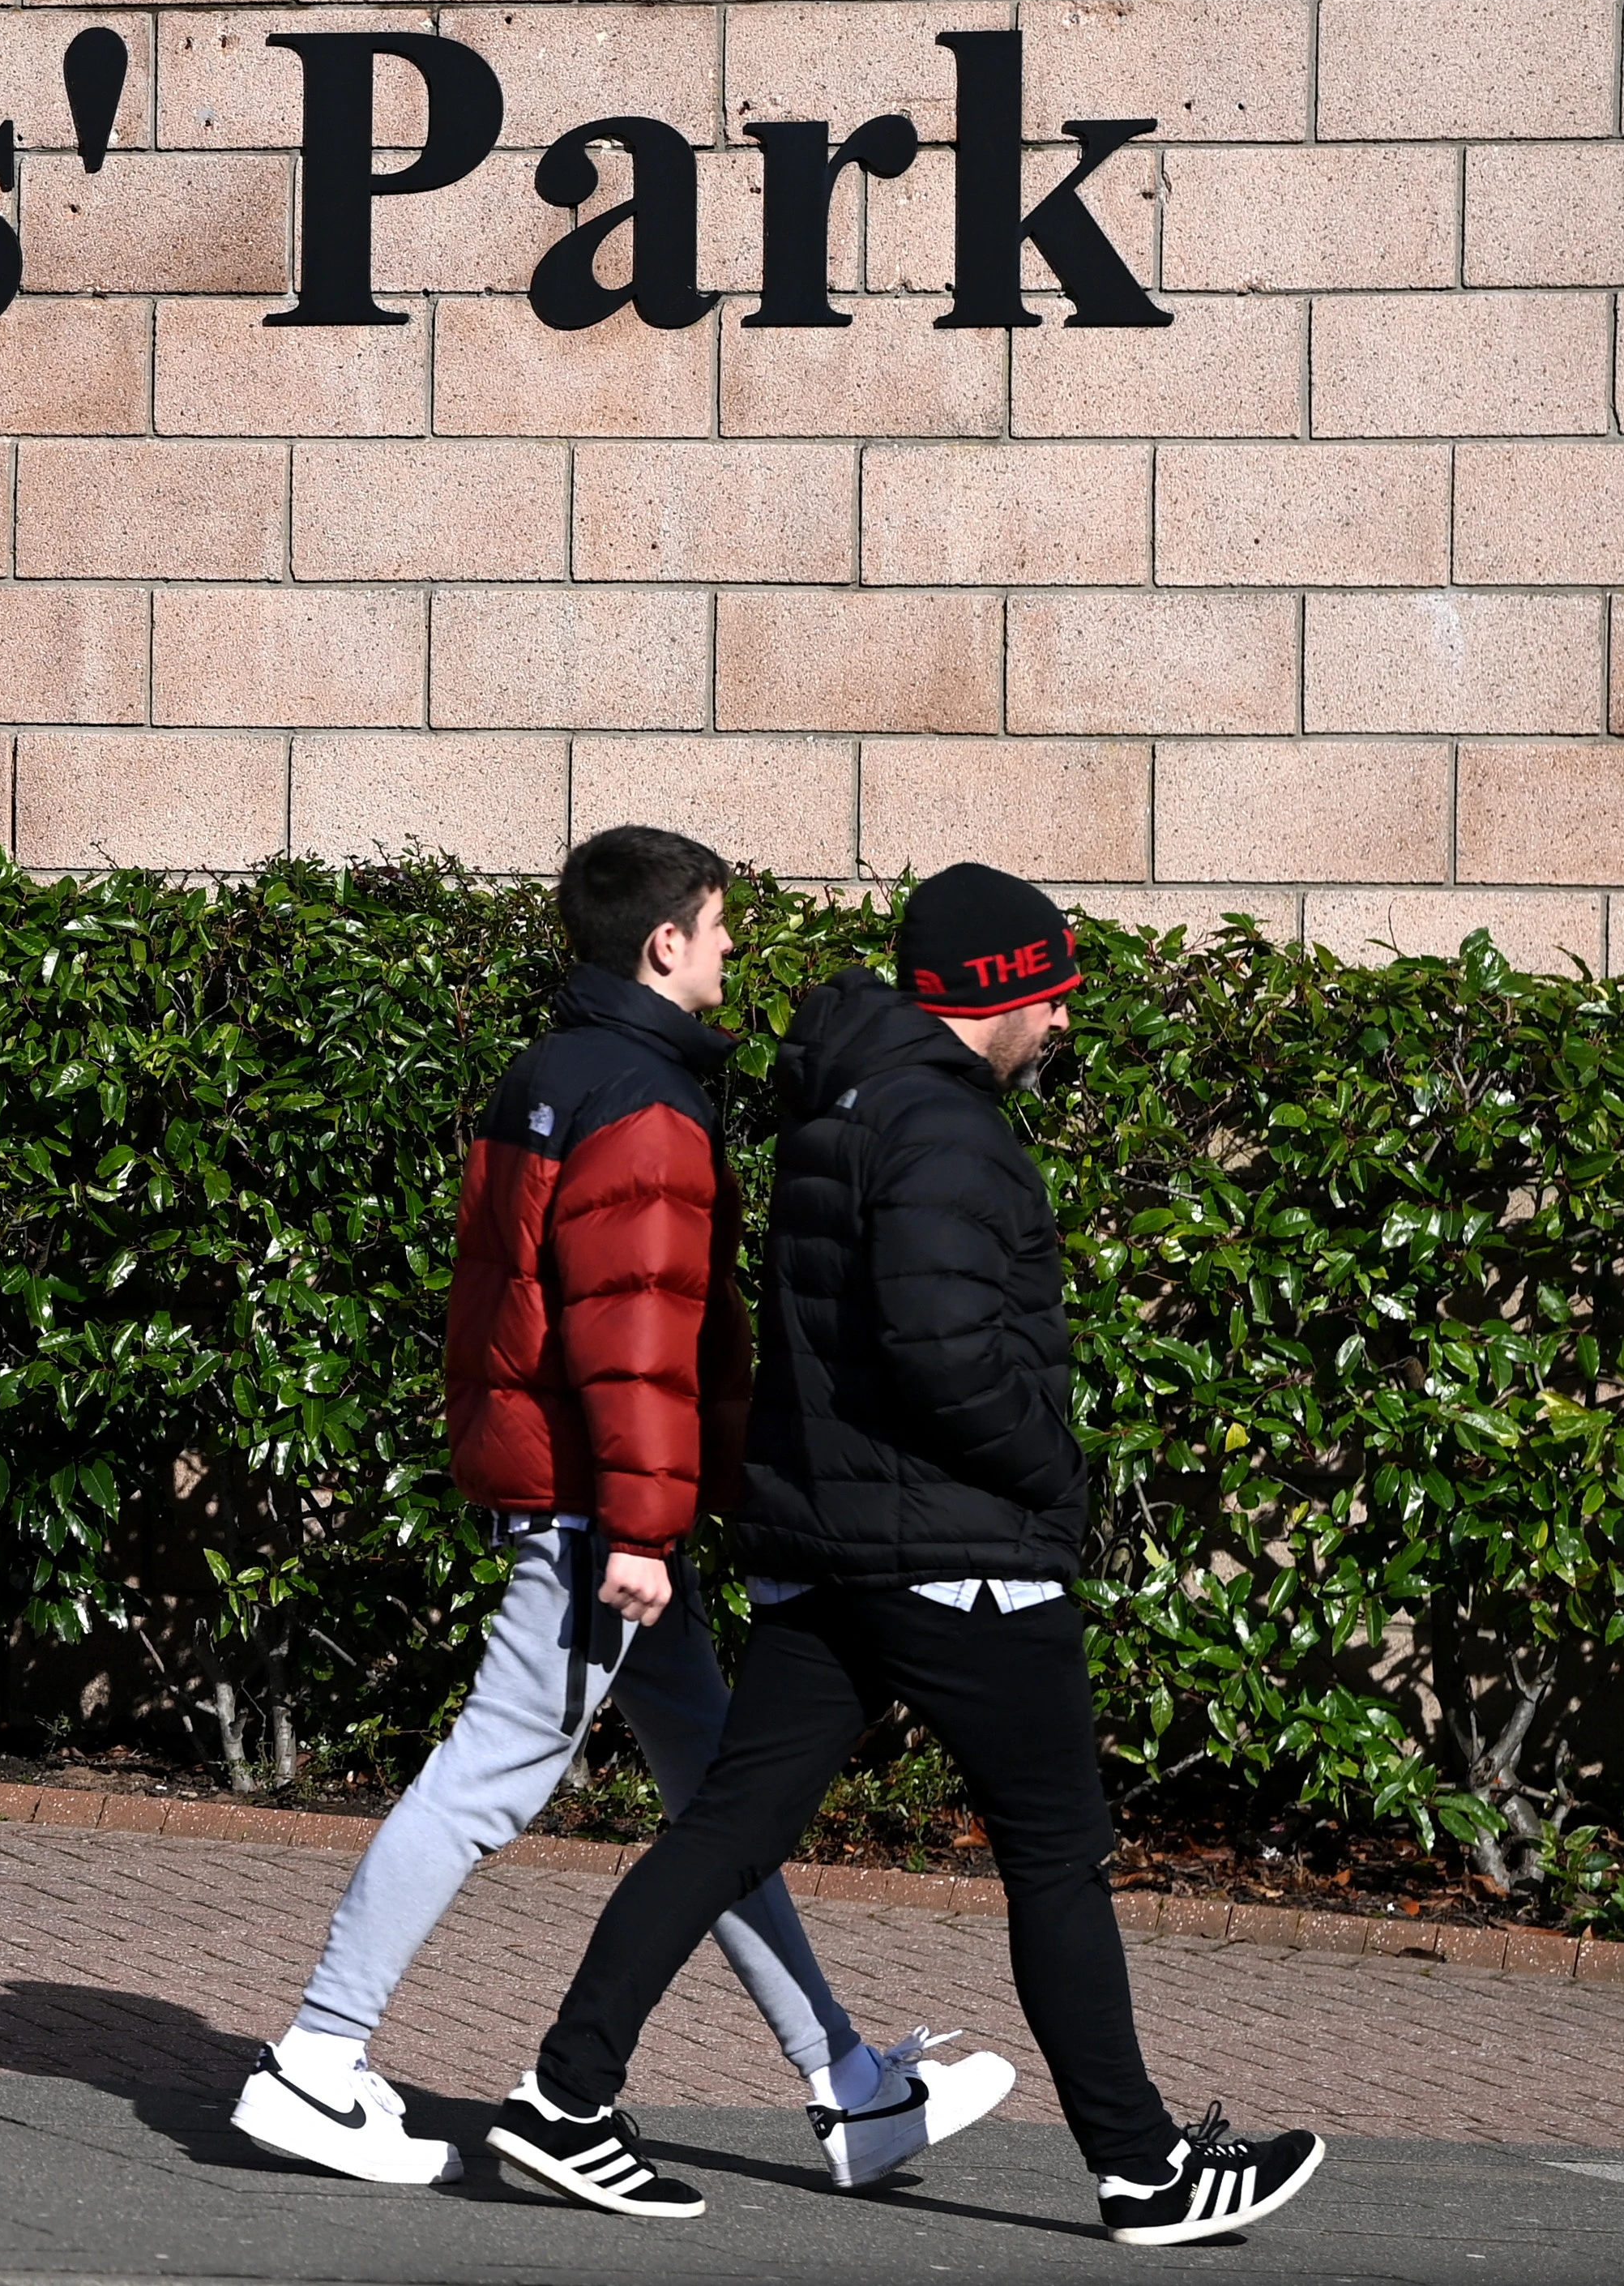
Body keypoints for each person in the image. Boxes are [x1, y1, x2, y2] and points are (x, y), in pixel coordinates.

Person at [480, 863, 1328, 2248]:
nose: (1062, 1017)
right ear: (996, 990)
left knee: (729, 1828)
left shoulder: (840, 1109)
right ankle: (1142, 2169)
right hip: (962, 1555)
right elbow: (942, 1352)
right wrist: (1056, 1480)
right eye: (1049, 987)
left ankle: (563, 2096)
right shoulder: (943, 1130)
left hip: (830, 1552)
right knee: (1056, 1858)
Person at [233, 827, 1011, 2194]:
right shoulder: (643, 1105)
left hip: (588, 1502)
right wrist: (644, 1531)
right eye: (717, 929)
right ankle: (315, 2059)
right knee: (490, 1778)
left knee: (722, 1801)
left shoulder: (551, 1074)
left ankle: (848, 2087)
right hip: (602, 1519)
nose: (730, 951)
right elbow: (633, 1339)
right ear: (665, 942)